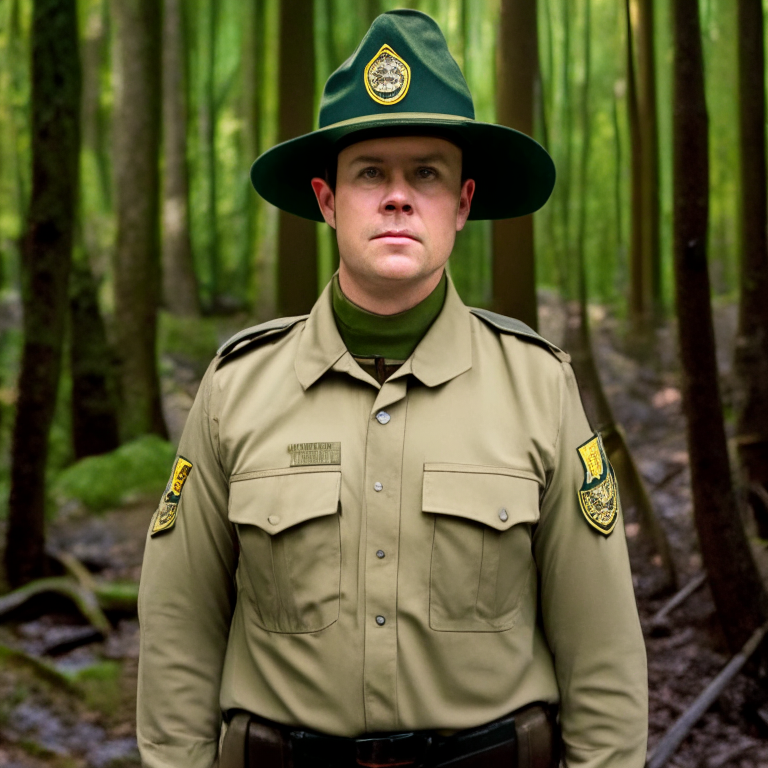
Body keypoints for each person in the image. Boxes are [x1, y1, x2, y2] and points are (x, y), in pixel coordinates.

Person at [137, 10, 647, 768]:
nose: (398, 197)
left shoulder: (538, 386)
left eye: (427, 173)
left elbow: (602, 651)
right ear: (326, 199)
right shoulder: (236, 389)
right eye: (370, 172)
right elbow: (178, 635)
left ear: (464, 203)